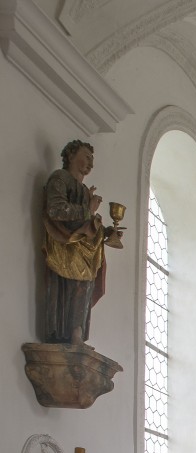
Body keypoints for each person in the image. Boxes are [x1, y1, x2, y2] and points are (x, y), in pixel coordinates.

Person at [42, 140, 121, 345]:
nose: (90, 163)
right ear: (70, 156)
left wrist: (106, 232)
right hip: (65, 245)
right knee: (75, 285)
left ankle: (77, 331)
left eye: (92, 159)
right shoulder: (59, 179)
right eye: (87, 156)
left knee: (84, 287)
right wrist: (89, 210)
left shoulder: (85, 190)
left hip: (85, 249)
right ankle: (70, 332)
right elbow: (55, 210)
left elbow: (86, 224)